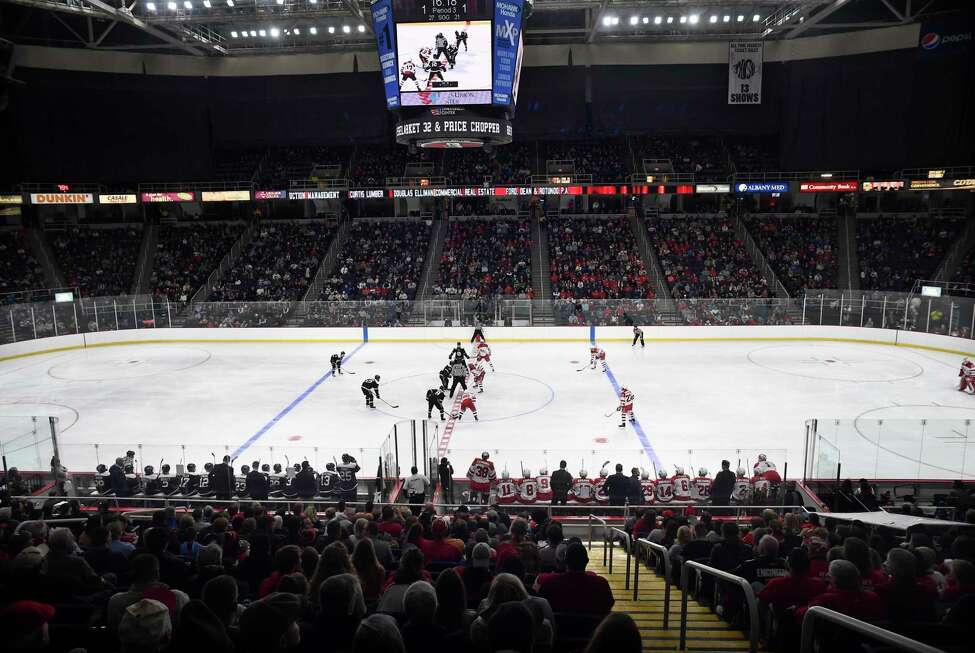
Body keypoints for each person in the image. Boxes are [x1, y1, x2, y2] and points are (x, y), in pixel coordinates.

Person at [535, 542, 615, 617]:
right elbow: (607, 608)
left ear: (565, 561)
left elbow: (542, 608)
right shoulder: (601, 584)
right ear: (587, 561)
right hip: (593, 630)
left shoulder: (550, 583)